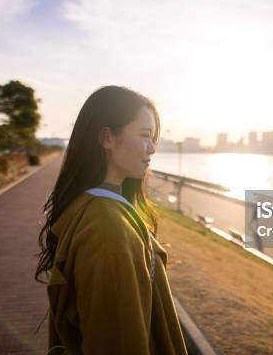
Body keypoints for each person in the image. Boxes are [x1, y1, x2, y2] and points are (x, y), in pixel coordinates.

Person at [35, 86, 187, 354]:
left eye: (153, 138)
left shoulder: (89, 206)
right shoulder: (108, 230)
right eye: (144, 135)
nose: (152, 148)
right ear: (107, 138)